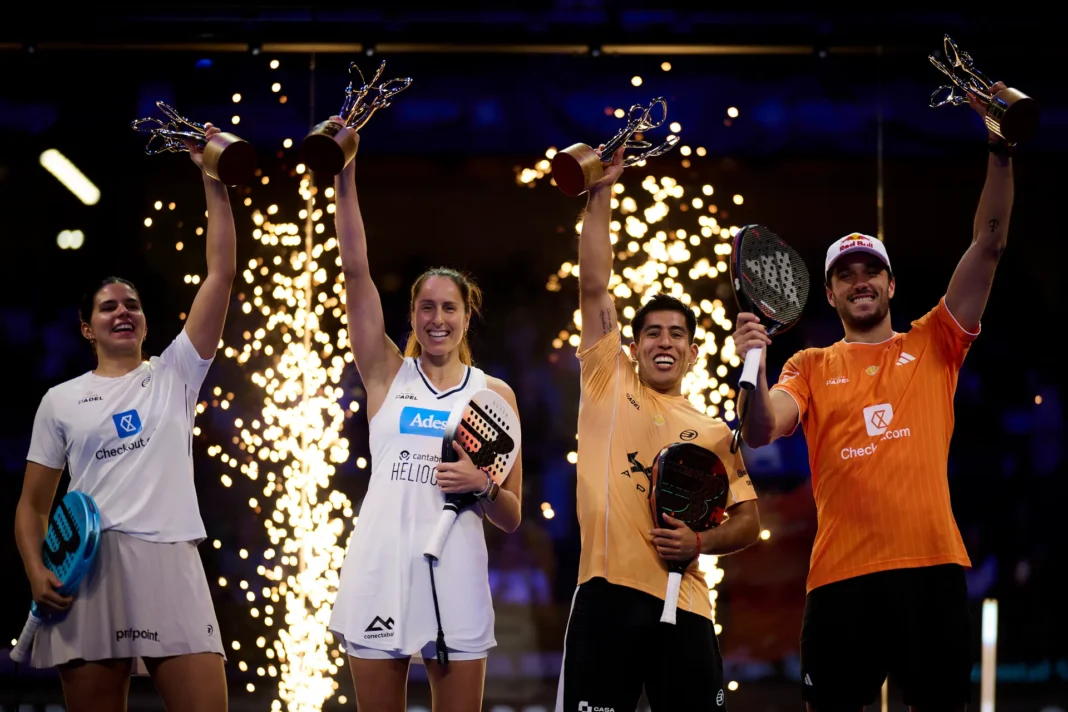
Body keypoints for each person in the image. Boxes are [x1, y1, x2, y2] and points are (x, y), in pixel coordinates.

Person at [732, 84, 1015, 712]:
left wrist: (1000, 149)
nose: (859, 282)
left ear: (890, 283)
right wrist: (750, 360)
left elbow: (989, 243)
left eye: (869, 271)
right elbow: (759, 429)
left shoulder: (937, 341)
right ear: (830, 295)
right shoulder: (808, 364)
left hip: (931, 571)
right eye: (845, 275)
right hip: (841, 581)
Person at [15, 123, 236, 712]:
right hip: (91, 569)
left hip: (172, 560)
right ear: (87, 327)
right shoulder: (59, 400)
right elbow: (34, 504)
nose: (123, 312)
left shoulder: (175, 373)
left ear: (143, 321)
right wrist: (37, 571)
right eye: (108, 306)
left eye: (132, 305)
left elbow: (220, 274)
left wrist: (212, 181)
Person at [325, 119, 524, 712]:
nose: (438, 318)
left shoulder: (494, 395)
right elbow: (355, 272)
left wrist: (482, 485)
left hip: (455, 577)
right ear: (411, 315)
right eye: (426, 307)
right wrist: (345, 174)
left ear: (468, 315)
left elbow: (511, 517)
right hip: (380, 568)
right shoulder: (386, 375)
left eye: (450, 308)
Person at [555, 146, 762, 712]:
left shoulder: (716, 432)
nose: (664, 341)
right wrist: (601, 193)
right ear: (633, 345)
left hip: (688, 607)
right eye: (652, 333)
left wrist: (701, 542)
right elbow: (595, 286)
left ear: (694, 353)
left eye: (676, 334)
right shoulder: (607, 379)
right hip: (605, 599)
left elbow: (750, 521)